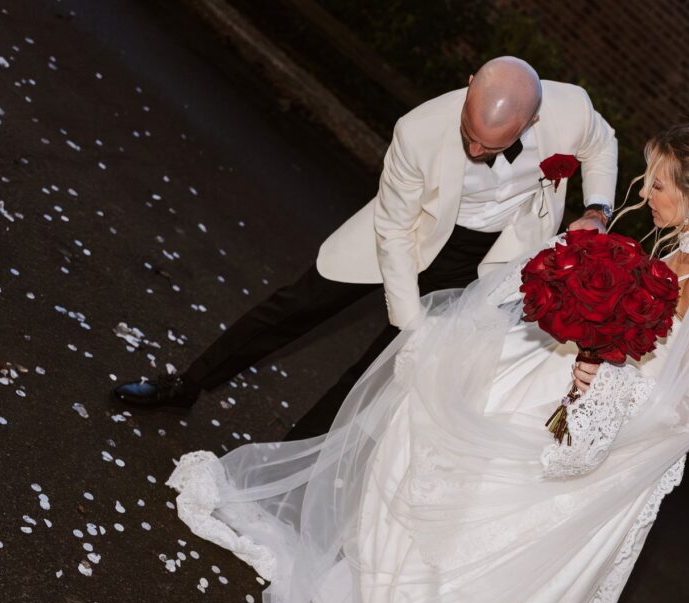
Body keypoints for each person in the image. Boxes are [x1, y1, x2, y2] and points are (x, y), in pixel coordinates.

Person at [167, 124, 689, 603]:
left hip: (603, 439)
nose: (646, 193)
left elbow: (685, 409)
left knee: (481, 507)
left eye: (659, 184)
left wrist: (598, 391)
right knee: (434, 423)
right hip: (578, 395)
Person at [112, 56, 618, 441]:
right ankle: (186, 386)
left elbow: (602, 143)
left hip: (485, 257)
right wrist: (412, 324)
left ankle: (289, 462)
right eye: (469, 136)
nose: (474, 152)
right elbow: (395, 232)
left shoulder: (570, 109)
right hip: (407, 234)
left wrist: (597, 210)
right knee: (294, 307)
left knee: (375, 372)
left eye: (489, 146)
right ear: (467, 88)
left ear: (530, 122)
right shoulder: (417, 131)